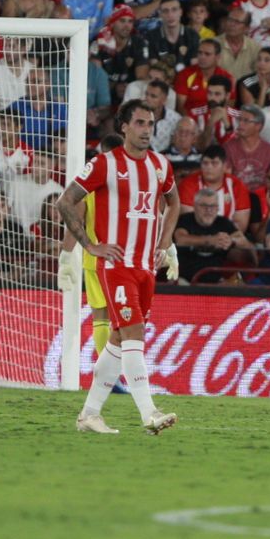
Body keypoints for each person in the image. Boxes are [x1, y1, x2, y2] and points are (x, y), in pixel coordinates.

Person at [57, 101, 180, 436]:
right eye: (139, 123)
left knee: (117, 339)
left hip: (145, 267)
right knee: (134, 335)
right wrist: (89, 246)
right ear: (124, 126)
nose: (146, 130)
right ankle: (149, 412)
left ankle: (89, 414)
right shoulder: (104, 165)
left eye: (150, 124)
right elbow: (65, 201)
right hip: (116, 267)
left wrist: (165, 244)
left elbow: (174, 202)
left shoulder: (160, 166)